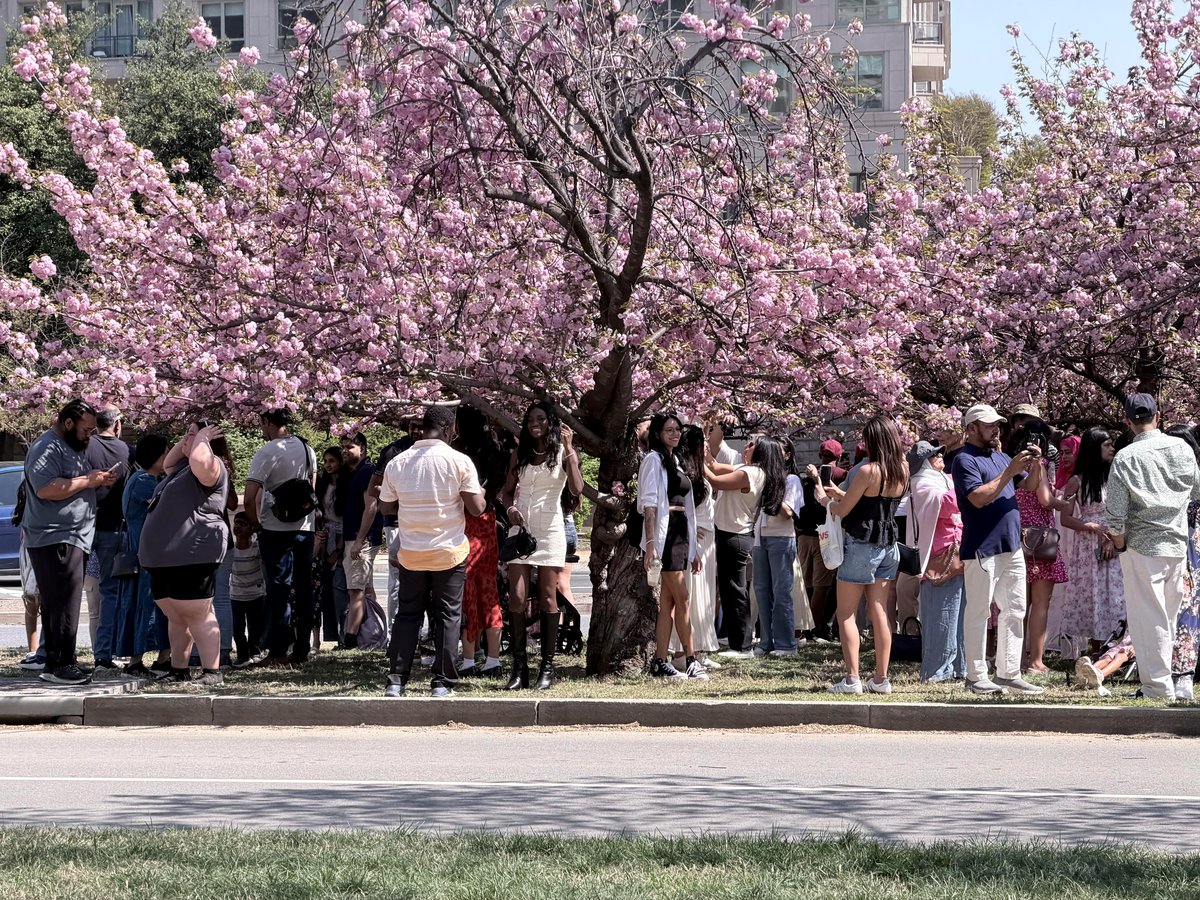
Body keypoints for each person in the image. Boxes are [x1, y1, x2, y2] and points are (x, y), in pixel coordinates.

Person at [378, 405, 485, 697]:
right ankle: (441, 682)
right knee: (447, 616)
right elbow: (477, 509)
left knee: (407, 615)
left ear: (423, 428)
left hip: (411, 551)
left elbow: (386, 506)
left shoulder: (398, 462)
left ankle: (396, 680)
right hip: (448, 552)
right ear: (450, 430)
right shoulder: (459, 461)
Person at [1106, 393, 1200, 701]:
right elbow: (1197, 488)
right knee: (1167, 617)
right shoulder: (1182, 447)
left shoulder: (1126, 457)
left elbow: (1116, 514)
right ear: (1158, 416)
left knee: (1149, 619)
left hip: (1142, 544)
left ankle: (1158, 687)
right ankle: (1165, 682)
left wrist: (1119, 543)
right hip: (1176, 542)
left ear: (1128, 421)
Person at [951, 404, 1046, 695]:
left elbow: (1028, 486)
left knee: (1015, 609)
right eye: (989, 424)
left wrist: (1036, 464)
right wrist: (1009, 471)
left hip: (1011, 546)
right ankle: (976, 675)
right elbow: (978, 498)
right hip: (982, 547)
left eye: (997, 424)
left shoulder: (1001, 456)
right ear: (971, 429)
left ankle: (1008, 673)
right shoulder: (963, 460)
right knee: (979, 611)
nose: (996, 429)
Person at [21, 400, 117, 685]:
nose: (90, 434)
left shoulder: (71, 447)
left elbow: (76, 480)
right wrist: (88, 482)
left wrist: (96, 480)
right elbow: (47, 488)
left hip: (72, 535)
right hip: (55, 536)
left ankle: (58, 662)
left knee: (61, 601)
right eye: (86, 429)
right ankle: (61, 665)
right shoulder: (46, 447)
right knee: (64, 602)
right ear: (68, 423)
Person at [812, 414, 908, 694]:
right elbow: (871, 503)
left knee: (846, 615)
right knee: (879, 611)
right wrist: (840, 495)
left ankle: (852, 679)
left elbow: (843, 511)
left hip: (861, 546)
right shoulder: (902, 468)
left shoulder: (868, 471)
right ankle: (881, 678)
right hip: (888, 546)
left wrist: (826, 500)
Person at [499, 401, 585, 690]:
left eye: (540, 419)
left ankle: (547, 668)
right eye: (530, 419)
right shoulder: (519, 454)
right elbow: (506, 493)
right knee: (517, 597)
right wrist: (510, 510)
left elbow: (576, 489)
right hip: (521, 529)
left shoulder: (562, 453)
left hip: (550, 529)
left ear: (550, 422)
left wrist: (570, 450)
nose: (535, 423)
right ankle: (519, 667)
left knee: (549, 596)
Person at [138, 422, 230, 686]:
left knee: (197, 612)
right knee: (177, 615)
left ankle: (212, 672)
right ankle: (179, 668)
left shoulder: (212, 467)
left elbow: (201, 459)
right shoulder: (178, 470)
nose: (187, 438)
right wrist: (189, 439)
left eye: (194, 434)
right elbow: (168, 463)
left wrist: (201, 437)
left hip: (193, 553)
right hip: (163, 558)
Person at [244, 408, 318, 665]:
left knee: (279, 590)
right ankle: (302, 649)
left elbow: (250, 494)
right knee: (304, 588)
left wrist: (256, 524)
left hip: (275, 529)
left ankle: (277, 651)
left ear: (266, 421)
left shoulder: (267, 451)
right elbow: (312, 489)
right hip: (304, 527)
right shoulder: (308, 449)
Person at [638, 413, 706, 681]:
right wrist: (652, 543)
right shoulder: (653, 460)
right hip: (665, 536)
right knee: (684, 597)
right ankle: (691, 659)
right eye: (669, 430)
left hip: (680, 531)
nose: (675, 434)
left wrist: (694, 550)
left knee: (669, 602)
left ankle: (660, 661)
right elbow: (649, 503)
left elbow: (687, 506)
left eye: (678, 430)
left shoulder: (675, 460)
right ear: (657, 433)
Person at [1006, 408, 1068, 674]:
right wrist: (1062, 503)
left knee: (1020, 603)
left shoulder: (1011, 462)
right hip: (1040, 539)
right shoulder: (1038, 464)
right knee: (1041, 603)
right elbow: (1044, 499)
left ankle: (1015, 660)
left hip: (1017, 535)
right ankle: (1036, 661)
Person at [1058, 428, 1125, 653]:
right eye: (1106, 444)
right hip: (1088, 545)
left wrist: (1113, 539)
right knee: (1093, 593)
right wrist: (1090, 526)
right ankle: (1095, 647)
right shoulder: (1076, 482)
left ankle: (1117, 645)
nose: (1111, 448)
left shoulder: (1116, 477)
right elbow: (1065, 518)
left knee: (1116, 594)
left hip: (1115, 540)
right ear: (1094, 448)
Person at [705, 435, 772, 659]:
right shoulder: (746, 468)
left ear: (761, 451)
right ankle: (738, 643)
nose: (746, 446)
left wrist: (697, 460)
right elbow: (714, 465)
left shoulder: (751, 473)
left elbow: (715, 479)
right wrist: (705, 450)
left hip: (735, 535)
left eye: (752, 445)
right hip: (731, 533)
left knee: (735, 591)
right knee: (730, 590)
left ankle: (742, 646)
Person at [453, 406, 508, 677]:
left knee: (468, 591)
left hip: (464, 522)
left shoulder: (459, 452)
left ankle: (468, 658)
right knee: (489, 590)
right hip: (489, 522)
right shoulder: (495, 451)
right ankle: (494, 659)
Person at [907, 441, 965, 682]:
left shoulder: (944, 479)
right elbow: (947, 504)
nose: (940, 456)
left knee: (960, 615)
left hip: (957, 553)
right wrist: (966, 482)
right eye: (934, 455)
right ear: (923, 462)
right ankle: (937, 670)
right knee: (942, 615)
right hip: (937, 557)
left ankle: (959, 668)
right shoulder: (921, 482)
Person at [113, 435, 170, 677]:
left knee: (152, 604)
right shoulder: (145, 481)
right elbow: (163, 509)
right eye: (166, 452)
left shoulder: (141, 478)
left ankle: (163, 656)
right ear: (156, 456)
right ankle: (136, 660)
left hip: (142, 549)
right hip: (144, 551)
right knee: (145, 605)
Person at [84, 406, 132, 672]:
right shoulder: (126, 451)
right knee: (110, 592)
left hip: (83, 525)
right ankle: (103, 655)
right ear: (118, 425)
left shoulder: (86, 446)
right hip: (113, 529)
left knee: (69, 592)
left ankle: (55, 654)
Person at [671, 424, 720, 670]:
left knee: (704, 595)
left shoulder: (696, 470)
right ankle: (682, 651)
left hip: (705, 539)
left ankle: (697, 649)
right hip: (695, 540)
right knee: (692, 594)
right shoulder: (686, 472)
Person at [751, 436, 803, 657]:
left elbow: (788, 512)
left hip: (781, 538)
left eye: (780, 451)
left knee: (781, 591)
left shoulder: (791, 480)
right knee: (762, 590)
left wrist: (773, 487)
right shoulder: (763, 477)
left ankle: (786, 644)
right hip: (759, 538)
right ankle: (766, 641)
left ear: (788, 455)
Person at [796, 440, 845, 642]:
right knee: (821, 585)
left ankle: (802, 627)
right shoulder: (842, 476)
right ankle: (814, 630)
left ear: (819, 455)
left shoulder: (807, 477)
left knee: (805, 583)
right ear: (839, 456)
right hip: (825, 535)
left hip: (804, 535)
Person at [341, 433, 384, 649]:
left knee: (355, 590)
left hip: (361, 539)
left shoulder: (367, 471)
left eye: (350, 446)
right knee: (366, 588)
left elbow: (372, 506)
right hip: (357, 536)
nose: (345, 450)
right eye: (343, 447)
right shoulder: (353, 473)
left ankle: (350, 638)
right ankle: (373, 633)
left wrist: (359, 539)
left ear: (363, 449)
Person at [313, 446, 350, 650]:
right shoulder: (323, 485)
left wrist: (338, 548)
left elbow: (347, 519)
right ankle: (331, 636)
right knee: (324, 591)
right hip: (324, 535)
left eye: (332, 461)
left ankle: (345, 636)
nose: (328, 465)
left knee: (340, 588)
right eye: (325, 461)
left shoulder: (346, 486)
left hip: (341, 537)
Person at [229, 512, 267, 665]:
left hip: (255, 594)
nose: (237, 526)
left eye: (243, 524)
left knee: (255, 626)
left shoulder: (257, 548)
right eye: (236, 523)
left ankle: (255, 651)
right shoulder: (230, 550)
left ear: (251, 530)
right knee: (237, 628)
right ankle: (242, 654)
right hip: (236, 595)